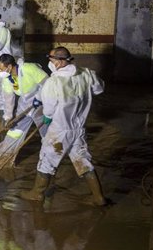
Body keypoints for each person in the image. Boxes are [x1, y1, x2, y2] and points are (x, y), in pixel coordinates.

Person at [22, 46, 108, 207]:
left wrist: (47, 118)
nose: (50, 62)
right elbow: (98, 89)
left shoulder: (53, 82)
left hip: (60, 130)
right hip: (78, 128)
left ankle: (37, 193)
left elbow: (49, 110)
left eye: (52, 59)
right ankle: (98, 197)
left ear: (60, 62)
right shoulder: (87, 74)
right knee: (83, 160)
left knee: (47, 159)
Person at [0, 53, 48, 165]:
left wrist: (40, 97)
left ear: (9, 66)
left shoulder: (29, 68)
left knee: (46, 132)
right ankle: (4, 155)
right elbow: (8, 99)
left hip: (42, 103)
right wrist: (8, 117)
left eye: (1, 69)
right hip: (24, 103)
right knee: (15, 130)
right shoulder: (7, 79)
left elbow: (48, 84)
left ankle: (48, 161)